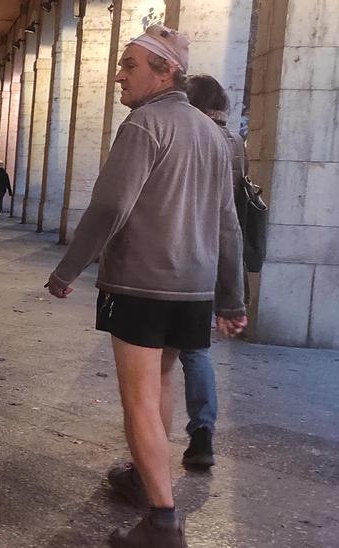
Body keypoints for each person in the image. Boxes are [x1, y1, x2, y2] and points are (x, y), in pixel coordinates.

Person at [44, 26, 247, 547]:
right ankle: (144, 475)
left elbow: (111, 206)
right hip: (192, 288)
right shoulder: (212, 133)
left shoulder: (145, 124)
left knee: (137, 398)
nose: (118, 74)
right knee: (158, 384)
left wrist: (67, 270)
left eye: (129, 65)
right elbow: (228, 222)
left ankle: (161, 519)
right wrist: (230, 298)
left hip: (140, 284)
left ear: (165, 72)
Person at [174, 74, 263, 470]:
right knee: (196, 350)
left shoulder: (197, 136)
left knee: (160, 351)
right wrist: (232, 296)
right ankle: (202, 431)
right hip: (216, 258)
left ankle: (148, 445)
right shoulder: (235, 143)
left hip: (184, 254)